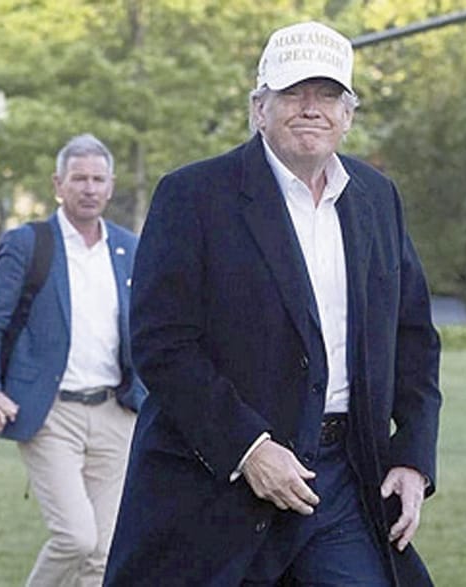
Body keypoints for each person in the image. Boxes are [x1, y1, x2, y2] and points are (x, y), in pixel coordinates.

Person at [105, 20, 441, 587]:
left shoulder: (377, 199)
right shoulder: (191, 196)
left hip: (343, 481)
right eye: (292, 93)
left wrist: (411, 455)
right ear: (259, 108)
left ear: (348, 114)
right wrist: (249, 448)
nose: (311, 108)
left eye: (327, 95)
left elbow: (413, 337)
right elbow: (163, 345)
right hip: (216, 485)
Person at [0, 133, 146, 587]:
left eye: (98, 179)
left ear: (111, 186)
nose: (89, 188)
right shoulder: (29, 243)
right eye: (79, 178)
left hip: (116, 413)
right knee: (77, 538)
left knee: (104, 552)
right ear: (58, 184)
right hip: (52, 411)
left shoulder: (128, 248)